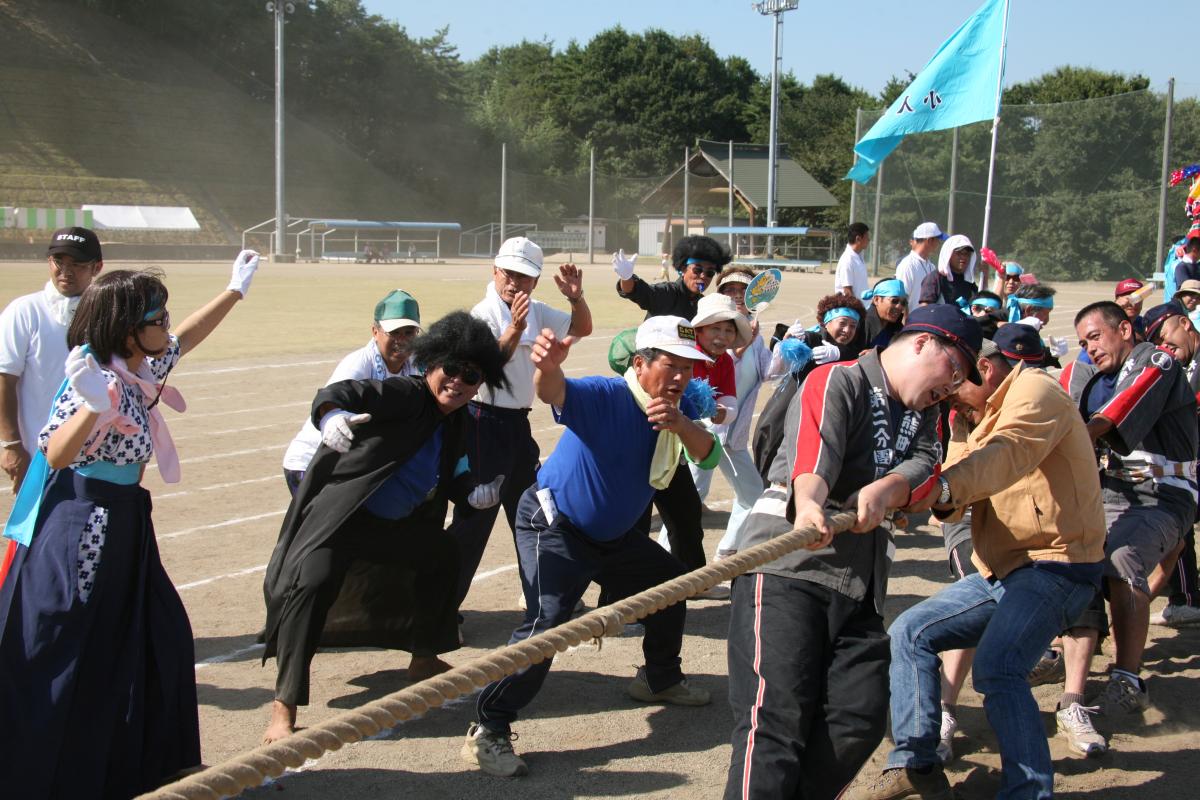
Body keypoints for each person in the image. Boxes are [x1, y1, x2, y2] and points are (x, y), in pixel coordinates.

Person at [0, 253, 260, 798]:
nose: (168, 326)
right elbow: (56, 451)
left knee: (153, 637)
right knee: (71, 649)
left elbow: (189, 335)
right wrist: (91, 408)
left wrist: (234, 290)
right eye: (157, 319)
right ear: (127, 329)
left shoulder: (142, 365)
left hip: (126, 521)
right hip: (84, 528)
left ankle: (137, 763)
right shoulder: (92, 377)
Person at [724, 305, 977, 800]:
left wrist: (889, 487)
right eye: (954, 369)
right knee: (775, 719)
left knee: (859, 716)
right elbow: (814, 454)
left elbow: (927, 464)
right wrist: (811, 506)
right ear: (923, 343)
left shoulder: (925, 414)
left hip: (861, 580)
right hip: (787, 566)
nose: (953, 386)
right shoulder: (839, 377)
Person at [850, 324, 1105, 800]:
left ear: (983, 367)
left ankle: (1028, 792)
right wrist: (916, 496)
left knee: (999, 667)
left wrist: (937, 489)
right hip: (1005, 571)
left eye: (952, 387)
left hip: (1058, 565)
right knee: (911, 631)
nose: (945, 399)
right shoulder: (976, 415)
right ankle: (915, 762)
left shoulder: (1035, 388)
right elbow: (955, 492)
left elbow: (1006, 456)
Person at [463, 316, 720, 778]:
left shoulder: (673, 414)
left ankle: (659, 679)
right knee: (548, 622)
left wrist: (681, 425)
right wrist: (549, 366)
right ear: (640, 364)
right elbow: (553, 392)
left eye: (689, 367)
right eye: (671, 364)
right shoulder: (608, 395)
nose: (681, 376)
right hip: (554, 524)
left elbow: (708, 453)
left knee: (669, 586)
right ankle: (489, 728)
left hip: (614, 537)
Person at [261, 312, 510, 743]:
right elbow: (341, 392)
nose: (458, 381)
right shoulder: (404, 394)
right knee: (311, 584)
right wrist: (331, 416)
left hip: (394, 528)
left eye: (471, 375)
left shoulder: (458, 418)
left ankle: (423, 657)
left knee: (443, 554)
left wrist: (473, 492)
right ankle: (284, 707)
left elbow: (455, 470)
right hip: (343, 521)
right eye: (450, 368)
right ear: (430, 365)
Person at [1056, 301, 1197, 720]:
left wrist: (1070, 436)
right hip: (1110, 491)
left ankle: (1128, 680)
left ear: (1125, 330)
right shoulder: (1094, 377)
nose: (1090, 348)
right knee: (1057, 548)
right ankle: (1062, 651)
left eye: (1096, 337)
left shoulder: (1157, 360)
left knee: (1120, 556)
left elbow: (1113, 417)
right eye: (1083, 342)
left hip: (1163, 495)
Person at [451, 236, 592, 612]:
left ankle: (546, 598)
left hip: (517, 425)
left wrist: (576, 298)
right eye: (509, 274)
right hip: (482, 424)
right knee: (474, 521)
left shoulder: (537, 309)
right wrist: (515, 326)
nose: (515, 282)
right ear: (495, 271)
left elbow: (583, 328)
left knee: (535, 513)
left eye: (525, 276)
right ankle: (440, 609)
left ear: (535, 281)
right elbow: (485, 367)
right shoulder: (483, 314)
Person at [281, 290, 422, 495]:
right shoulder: (359, 364)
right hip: (312, 465)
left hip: (349, 467)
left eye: (409, 332)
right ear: (375, 331)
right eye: (394, 332)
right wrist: (331, 414)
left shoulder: (414, 365)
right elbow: (332, 396)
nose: (402, 339)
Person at [0, 227, 104, 492]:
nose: (65, 271)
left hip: (98, 458)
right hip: (38, 457)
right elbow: (4, 379)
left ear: (97, 267)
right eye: (59, 262)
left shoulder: (107, 314)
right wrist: (11, 446)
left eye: (77, 264)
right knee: (37, 533)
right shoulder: (25, 311)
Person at [751, 293, 869, 482]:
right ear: (826, 323)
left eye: (853, 326)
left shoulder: (852, 349)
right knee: (771, 463)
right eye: (843, 323)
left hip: (821, 421)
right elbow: (801, 342)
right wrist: (790, 339)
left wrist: (840, 354)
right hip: (785, 415)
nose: (847, 330)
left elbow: (859, 356)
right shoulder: (814, 340)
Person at [706, 268, 774, 559]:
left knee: (752, 494)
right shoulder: (712, 330)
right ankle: (662, 561)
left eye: (742, 291)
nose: (735, 296)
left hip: (734, 435)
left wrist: (791, 347)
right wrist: (741, 346)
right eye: (728, 290)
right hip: (705, 431)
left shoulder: (755, 336)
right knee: (688, 499)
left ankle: (727, 554)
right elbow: (713, 368)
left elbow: (770, 372)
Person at [1142, 302, 1200, 628]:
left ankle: (1185, 599)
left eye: (1167, 338)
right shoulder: (1184, 366)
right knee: (1180, 517)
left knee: (1178, 514)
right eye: (1159, 344)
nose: (1166, 348)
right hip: (1190, 464)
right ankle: (1185, 600)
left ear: (1184, 323)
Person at [614, 234, 731, 320]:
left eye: (710, 272)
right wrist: (626, 277)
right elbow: (635, 291)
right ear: (683, 269)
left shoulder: (703, 305)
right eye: (697, 270)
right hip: (653, 353)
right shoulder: (666, 293)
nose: (703, 275)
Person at [894, 221, 946, 303]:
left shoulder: (931, 266)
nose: (939, 243)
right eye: (937, 240)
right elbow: (901, 300)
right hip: (912, 315)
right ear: (929, 241)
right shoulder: (908, 265)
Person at [920, 234, 977, 308]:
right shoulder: (935, 279)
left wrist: (985, 276)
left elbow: (982, 303)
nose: (963, 257)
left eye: (967, 254)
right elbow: (924, 310)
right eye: (959, 253)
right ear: (948, 254)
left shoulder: (969, 281)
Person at [861, 278, 908, 349]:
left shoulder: (897, 327)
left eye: (903, 303)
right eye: (894, 301)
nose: (899, 306)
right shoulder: (861, 325)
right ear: (876, 300)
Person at [835, 222, 871, 299]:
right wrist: (857, 309)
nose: (869, 239)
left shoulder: (858, 256)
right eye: (867, 236)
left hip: (862, 307)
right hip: (854, 309)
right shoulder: (847, 260)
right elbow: (847, 291)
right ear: (858, 239)